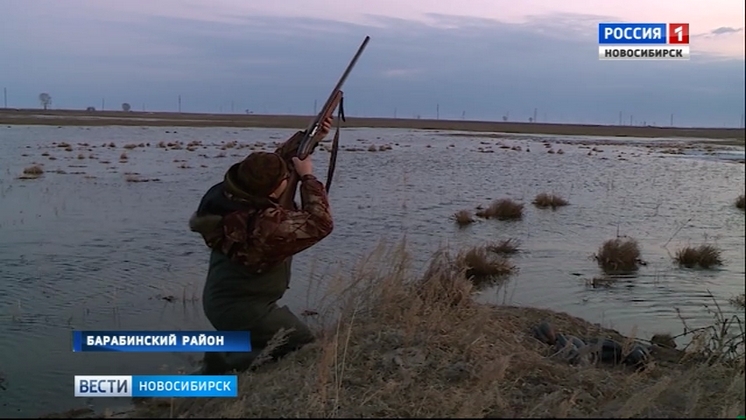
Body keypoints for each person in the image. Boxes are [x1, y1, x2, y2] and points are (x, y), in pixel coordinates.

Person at [188, 117, 335, 374]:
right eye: (284, 181)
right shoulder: (263, 226)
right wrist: (308, 177)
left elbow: (274, 164)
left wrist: (310, 139)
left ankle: (218, 364)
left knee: (267, 344)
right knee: (302, 344)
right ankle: (224, 367)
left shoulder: (229, 193)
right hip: (246, 310)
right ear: (273, 190)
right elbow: (320, 223)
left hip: (221, 300)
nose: (287, 180)